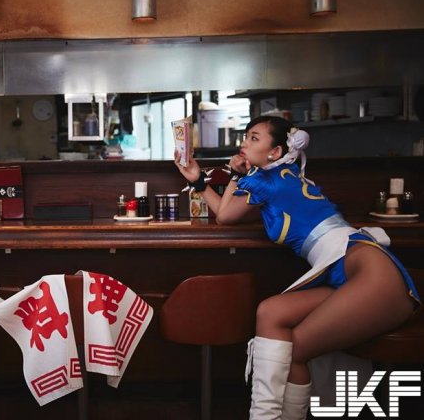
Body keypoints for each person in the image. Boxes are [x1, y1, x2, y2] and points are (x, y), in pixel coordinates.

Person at [174, 116, 420, 420]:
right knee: (271, 311)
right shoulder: (281, 176)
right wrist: (201, 180)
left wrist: (227, 176)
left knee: (296, 350)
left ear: (275, 152)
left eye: (254, 138)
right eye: (246, 137)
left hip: (373, 276)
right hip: (350, 274)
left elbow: (225, 215)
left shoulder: (268, 182)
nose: (244, 143)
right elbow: (230, 212)